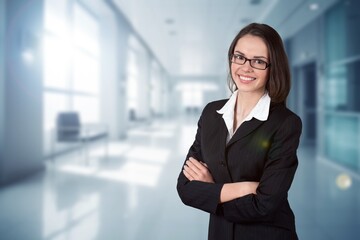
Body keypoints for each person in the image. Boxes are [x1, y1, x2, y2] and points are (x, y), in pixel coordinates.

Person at [176, 23, 302, 240]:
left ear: (274, 67)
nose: (246, 67)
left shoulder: (285, 123)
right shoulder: (211, 113)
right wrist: (245, 188)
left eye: (259, 61)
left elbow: (265, 204)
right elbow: (186, 188)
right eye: (240, 57)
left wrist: (212, 192)